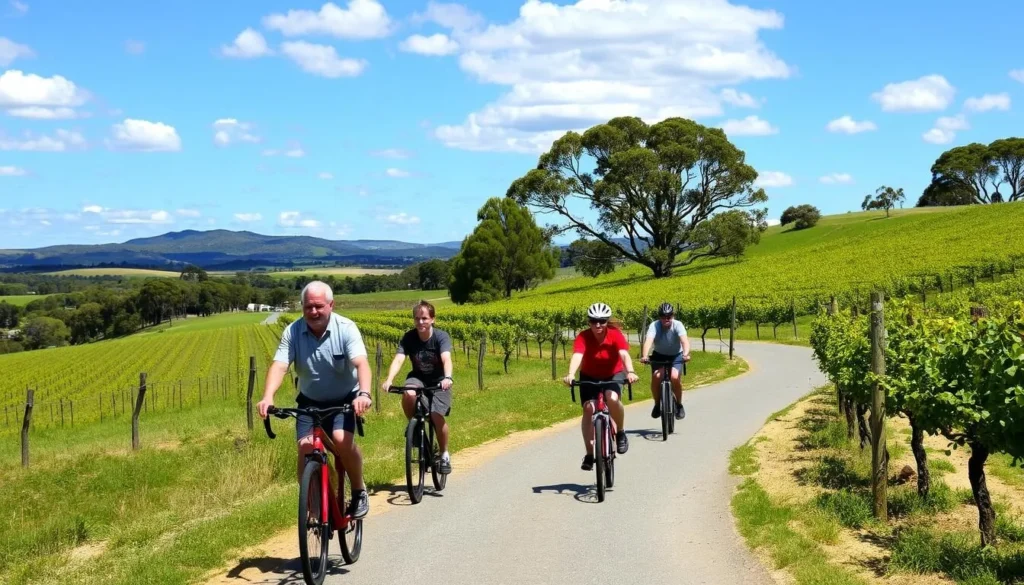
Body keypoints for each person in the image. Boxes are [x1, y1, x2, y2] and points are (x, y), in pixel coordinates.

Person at [257, 280, 373, 519]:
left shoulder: (346, 328)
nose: (313, 312)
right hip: (310, 400)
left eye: (319, 306)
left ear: (331, 304)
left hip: (344, 399)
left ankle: (359, 489)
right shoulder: (293, 331)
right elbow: (280, 366)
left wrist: (364, 393)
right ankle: (314, 504)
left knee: (341, 440)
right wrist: (268, 397)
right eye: (308, 306)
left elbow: (361, 363)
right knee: (305, 447)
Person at [563, 302, 639, 471]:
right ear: (588, 321)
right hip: (589, 376)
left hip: (613, 374)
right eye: (593, 321)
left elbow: (624, 354)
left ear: (606, 321)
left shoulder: (615, 334)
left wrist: (631, 372)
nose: (598, 325)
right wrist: (571, 374)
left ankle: (620, 432)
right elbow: (577, 355)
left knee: (612, 398)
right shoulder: (583, 336)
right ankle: (590, 454)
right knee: (589, 409)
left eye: (602, 321)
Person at [381, 300, 455, 474]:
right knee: (408, 393)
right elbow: (399, 358)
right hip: (418, 377)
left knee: (437, 415)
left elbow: (446, 358)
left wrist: (448, 377)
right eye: (417, 319)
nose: (420, 322)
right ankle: (413, 426)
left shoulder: (440, 337)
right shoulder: (409, 337)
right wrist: (389, 379)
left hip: (438, 380)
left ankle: (444, 454)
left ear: (432, 319)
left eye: (424, 318)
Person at [640, 302, 691, 421]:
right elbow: (649, 341)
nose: (666, 319)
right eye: (663, 316)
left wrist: (686, 354)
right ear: (659, 317)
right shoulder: (654, 325)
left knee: (674, 377)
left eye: (669, 316)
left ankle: (679, 405)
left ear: (673, 316)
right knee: (657, 377)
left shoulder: (678, 325)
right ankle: (657, 404)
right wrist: (645, 355)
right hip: (659, 356)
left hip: (676, 356)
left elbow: (684, 341)